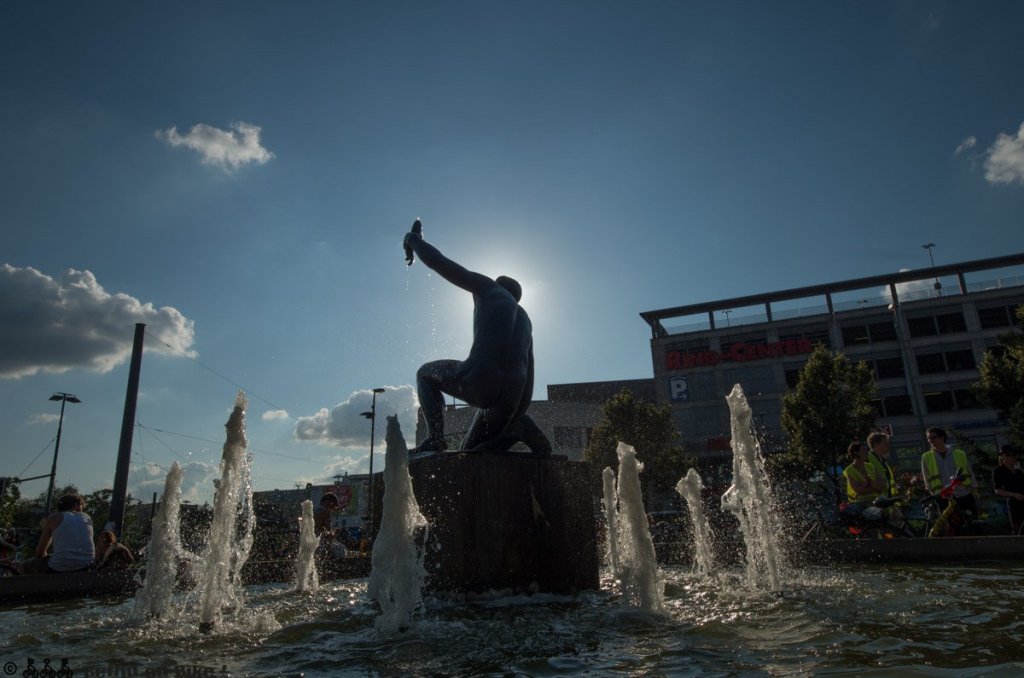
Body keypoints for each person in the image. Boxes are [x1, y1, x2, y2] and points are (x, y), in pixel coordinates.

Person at [403, 223, 552, 455]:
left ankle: (435, 439)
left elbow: (440, 263)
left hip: (480, 378)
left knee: (425, 374)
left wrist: (413, 240)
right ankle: (518, 428)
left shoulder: (489, 288)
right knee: (469, 450)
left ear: (498, 284)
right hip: (510, 401)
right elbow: (529, 377)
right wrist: (514, 413)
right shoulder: (526, 322)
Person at [18, 494, 95, 574]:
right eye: (82, 506)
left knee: (25, 566)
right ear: (75, 505)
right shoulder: (87, 518)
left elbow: (39, 552)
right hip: (87, 565)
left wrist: (43, 556)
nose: (82, 510)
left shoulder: (54, 518)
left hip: (59, 567)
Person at [920, 427, 978, 518]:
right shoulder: (926, 457)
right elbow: (926, 477)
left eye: (933, 437)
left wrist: (973, 488)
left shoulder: (959, 453)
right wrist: (934, 493)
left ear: (942, 437)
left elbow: (969, 471)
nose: (930, 440)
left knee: (972, 520)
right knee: (951, 525)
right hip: (943, 497)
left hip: (963, 493)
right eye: (928, 438)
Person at [843, 441, 886, 508]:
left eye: (867, 449)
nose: (867, 452)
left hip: (877, 502)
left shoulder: (871, 467)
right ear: (856, 452)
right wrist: (875, 487)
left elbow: (883, 484)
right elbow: (857, 489)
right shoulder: (849, 470)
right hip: (861, 505)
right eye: (864, 449)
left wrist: (866, 485)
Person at [992, 445, 1024, 535]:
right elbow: (997, 490)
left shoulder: (1018, 471)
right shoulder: (998, 471)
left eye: (1012, 455)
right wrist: (1013, 494)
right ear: (1002, 456)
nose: (1010, 457)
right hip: (1014, 503)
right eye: (1007, 455)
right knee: (1017, 529)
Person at [866, 431, 896, 498]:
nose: (888, 445)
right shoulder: (868, 459)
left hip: (885, 500)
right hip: (876, 501)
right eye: (885, 443)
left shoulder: (882, 460)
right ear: (876, 444)